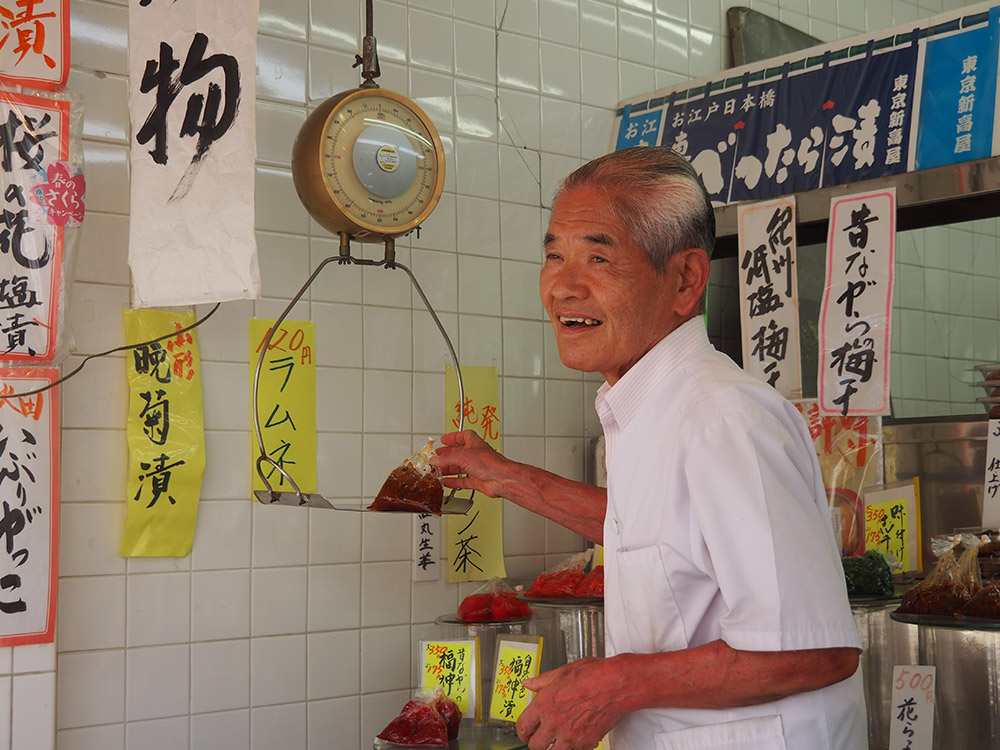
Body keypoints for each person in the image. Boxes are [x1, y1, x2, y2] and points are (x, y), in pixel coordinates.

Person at [432, 146, 867, 750]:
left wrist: (610, 685)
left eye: (598, 257)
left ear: (685, 279)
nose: (562, 286)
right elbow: (666, 538)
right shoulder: (648, 406)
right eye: (553, 254)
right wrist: (504, 478)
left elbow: (815, 650)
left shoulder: (723, 417)